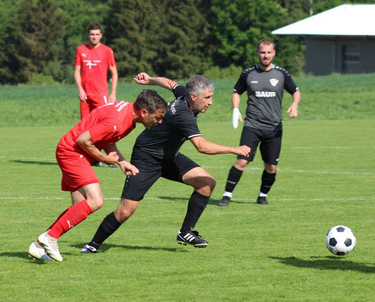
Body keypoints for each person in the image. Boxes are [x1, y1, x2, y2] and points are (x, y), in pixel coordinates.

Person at [80, 72, 251, 253]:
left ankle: (185, 232)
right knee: (125, 211)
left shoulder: (184, 95)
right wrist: (234, 149)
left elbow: (170, 83)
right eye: (207, 98)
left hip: (169, 157)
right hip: (146, 159)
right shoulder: (183, 114)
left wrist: (150, 80)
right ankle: (93, 245)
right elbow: (202, 146)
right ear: (193, 97)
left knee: (206, 183)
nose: (210, 102)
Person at [27, 90, 167, 262]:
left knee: (78, 207)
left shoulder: (127, 116)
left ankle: (39, 245)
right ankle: (50, 238)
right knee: (96, 200)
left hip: (75, 152)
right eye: (158, 117)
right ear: (144, 112)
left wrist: (122, 162)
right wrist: (104, 158)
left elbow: (106, 138)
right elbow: (83, 140)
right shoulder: (117, 121)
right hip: (72, 152)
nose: (159, 121)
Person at [218, 39, 301, 207]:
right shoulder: (248, 73)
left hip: (274, 128)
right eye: (263, 52)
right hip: (252, 126)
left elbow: (296, 91)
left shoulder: (281, 74)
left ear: (274, 53)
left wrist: (294, 104)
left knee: (271, 167)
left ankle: (262, 195)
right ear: (258, 53)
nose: (266, 55)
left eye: (269, 52)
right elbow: (236, 92)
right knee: (241, 161)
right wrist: (236, 109)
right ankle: (226, 195)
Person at [74, 23, 118, 167]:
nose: (94, 37)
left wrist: (112, 93)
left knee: (105, 126)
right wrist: (80, 89)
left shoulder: (107, 51)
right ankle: (93, 158)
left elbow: (114, 72)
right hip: (85, 96)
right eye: (92, 34)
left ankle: (111, 157)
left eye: (97, 34)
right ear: (88, 35)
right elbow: (76, 71)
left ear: (101, 35)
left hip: (101, 95)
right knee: (86, 128)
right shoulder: (81, 50)